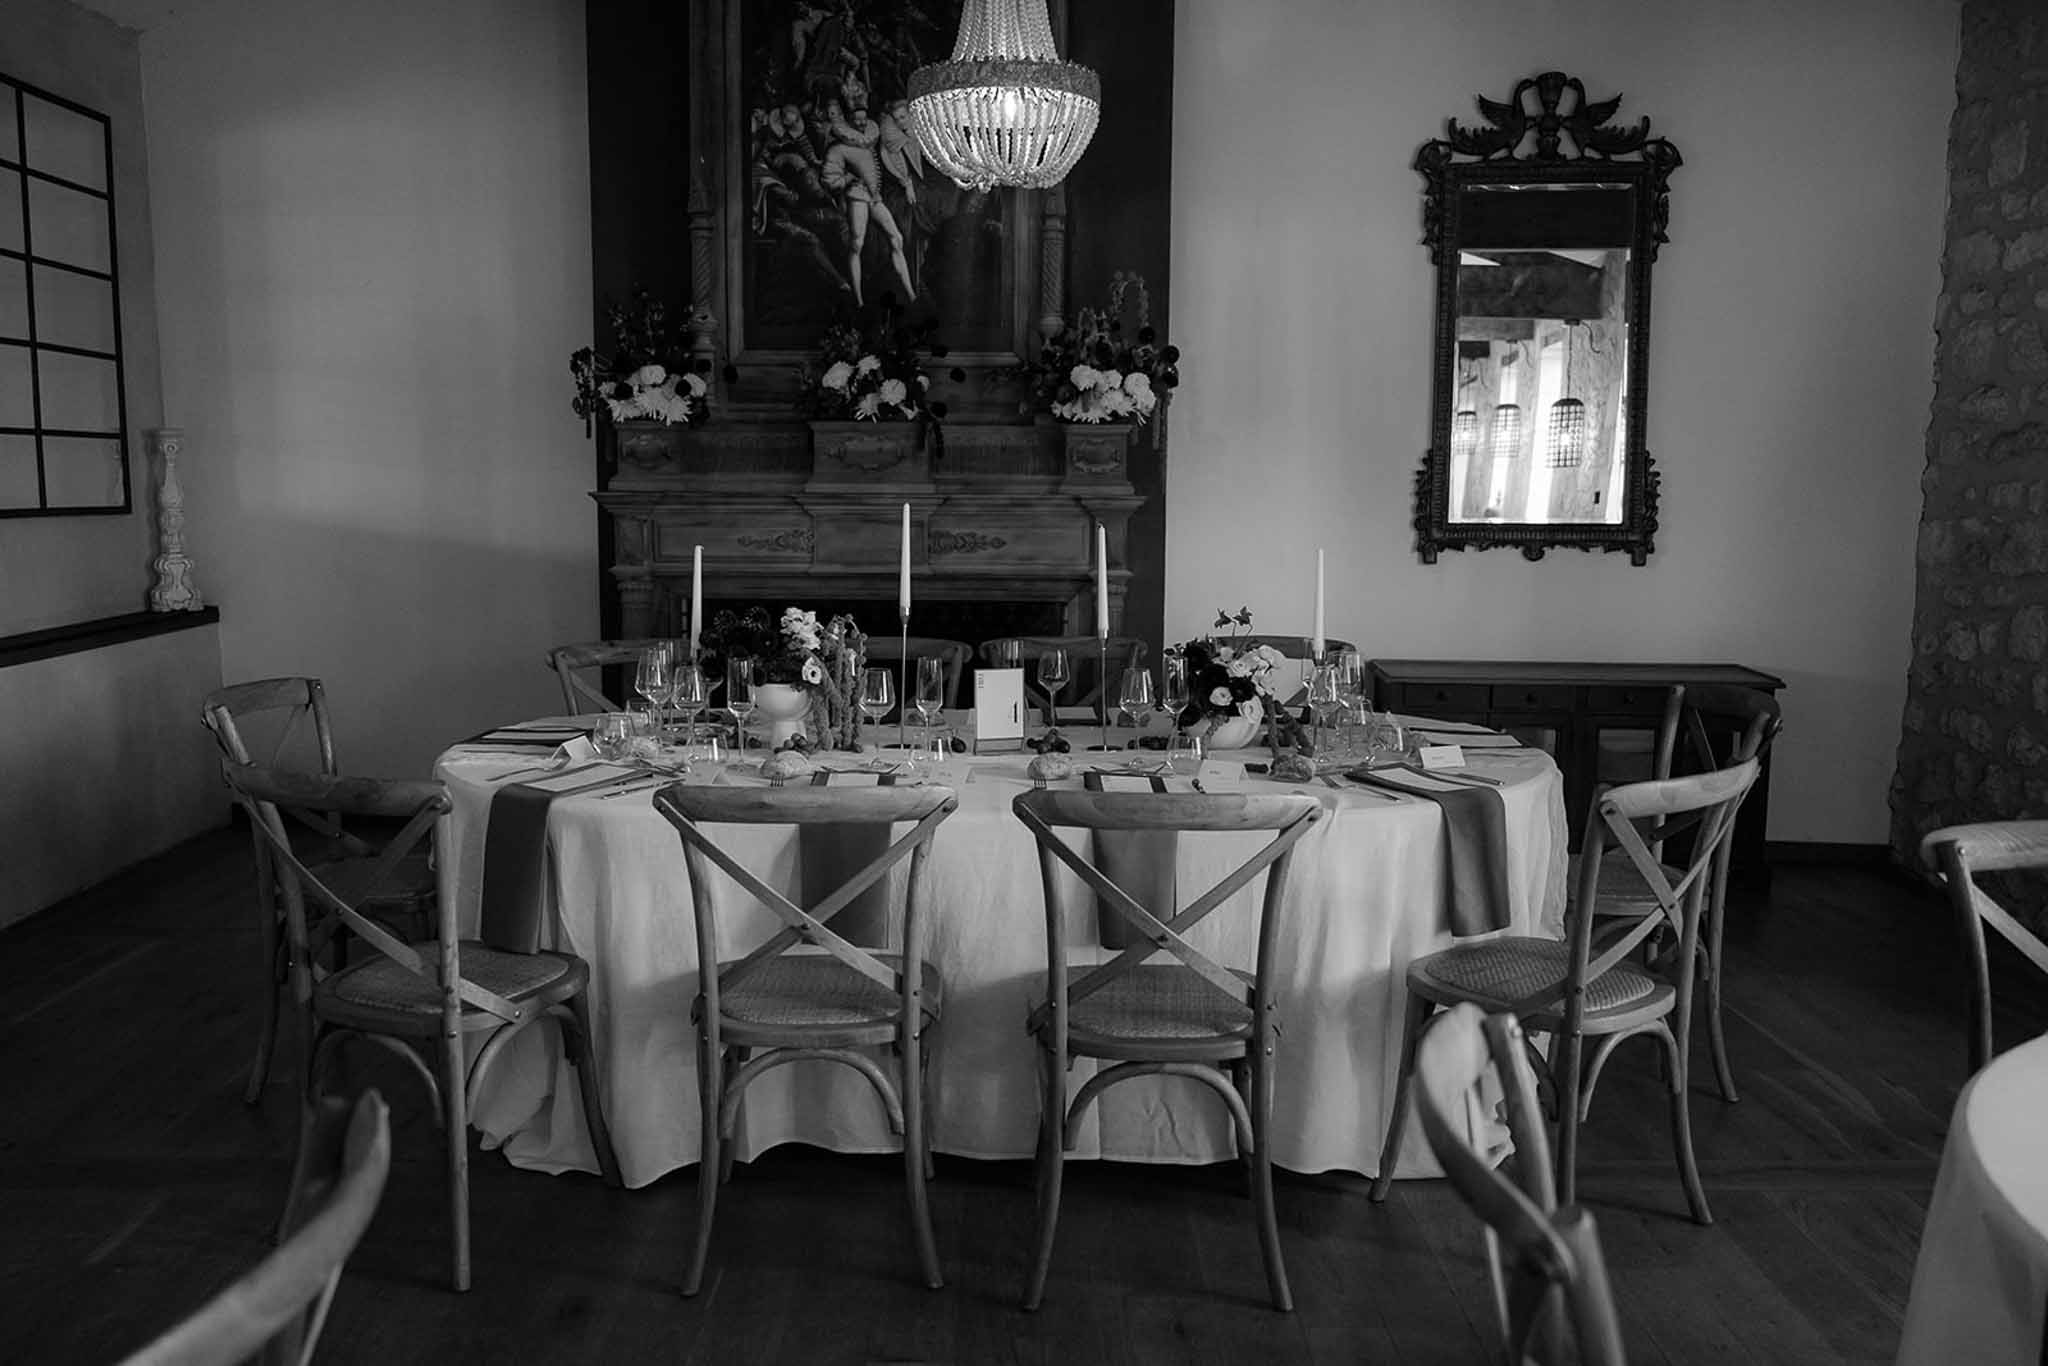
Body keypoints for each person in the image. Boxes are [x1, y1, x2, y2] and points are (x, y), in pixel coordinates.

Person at [820, 95, 916, 304]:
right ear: (849, 121)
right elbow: (829, 179)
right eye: (857, 120)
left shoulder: (872, 139)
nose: (862, 123)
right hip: (857, 198)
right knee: (857, 244)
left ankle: (911, 294)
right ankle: (859, 300)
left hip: (875, 198)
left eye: (864, 119)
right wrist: (848, 178)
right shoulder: (840, 148)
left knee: (896, 238)